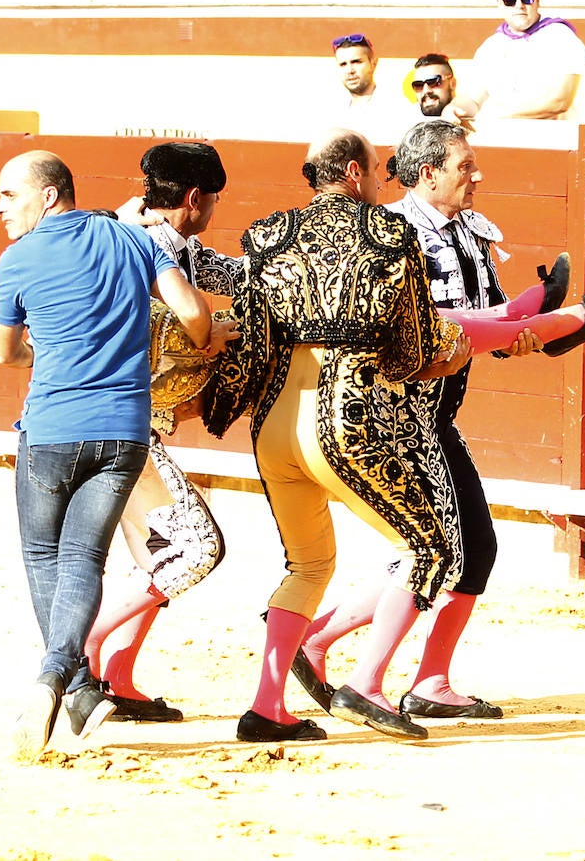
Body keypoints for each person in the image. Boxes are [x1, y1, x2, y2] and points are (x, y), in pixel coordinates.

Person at [292, 121, 585, 722]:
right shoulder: (393, 235)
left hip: (439, 415)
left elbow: (481, 324)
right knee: (437, 550)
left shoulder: (471, 234)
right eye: (464, 165)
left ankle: (416, 676)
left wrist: (524, 321)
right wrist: (536, 325)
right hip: (396, 414)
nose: (477, 175)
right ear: (428, 174)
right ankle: (346, 660)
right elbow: (436, 324)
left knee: (469, 550)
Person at [201, 128, 473, 742]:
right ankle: (366, 684)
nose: (383, 182)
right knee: (433, 550)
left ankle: (268, 706)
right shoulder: (390, 234)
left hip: (273, 424)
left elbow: (249, 333)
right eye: (377, 171)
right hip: (346, 420)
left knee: (309, 563)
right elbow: (413, 351)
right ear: (353, 174)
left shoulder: (268, 237)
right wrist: (452, 354)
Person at [0, 150, 214, 763]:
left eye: (9, 196)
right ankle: (81, 689)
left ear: (48, 195)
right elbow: (194, 313)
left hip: (53, 430)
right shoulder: (134, 241)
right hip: (124, 431)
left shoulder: (16, 260)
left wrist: (59, 349)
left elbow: (6, 355)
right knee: (85, 559)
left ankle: (55, 678)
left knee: (44, 555)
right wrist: (198, 342)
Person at [81, 142, 243, 722]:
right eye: (214, 200)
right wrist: (224, 329)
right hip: (121, 425)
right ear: (195, 199)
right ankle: (80, 649)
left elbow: (241, 278)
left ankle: (115, 679)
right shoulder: (146, 244)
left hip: (114, 420)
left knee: (157, 553)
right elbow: (194, 322)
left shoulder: (148, 235)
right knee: (193, 549)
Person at [445, 0, 585, 122]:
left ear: (537, 0)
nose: (519, 5)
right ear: (500, 4)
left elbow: (560, 101)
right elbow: (472, 100)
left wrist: (500, 116)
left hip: (553, 139)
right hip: (504, 138)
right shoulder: (491, 47)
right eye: (510, 0)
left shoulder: (560, 36)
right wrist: (453, 109)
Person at [330, 32, 410, 135]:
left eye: (356, 62)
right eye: (343, 64)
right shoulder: (333, 112)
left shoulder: (396, 107)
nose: (350, 70)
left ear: (373, 64)